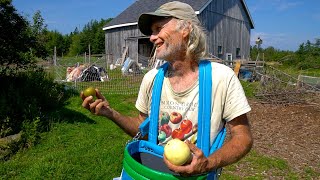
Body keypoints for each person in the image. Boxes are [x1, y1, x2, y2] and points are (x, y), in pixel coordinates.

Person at [81, 1, 253, 176]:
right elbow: (142, 128)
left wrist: (208, 163)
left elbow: (243, 137)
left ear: (185, 29)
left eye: (158, 28)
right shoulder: (152, 79)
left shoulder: (222, 78)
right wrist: (111, 114)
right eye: (152, 32)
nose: (152, 37)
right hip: (152, 171)